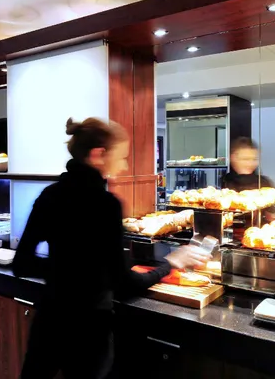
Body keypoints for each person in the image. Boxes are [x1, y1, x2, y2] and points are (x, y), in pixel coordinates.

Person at [13, 117, 208, 379]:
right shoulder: (105, 205)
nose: (124, 165)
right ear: (98, 155)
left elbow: (21, 264)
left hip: (50, 323)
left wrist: (64, 272)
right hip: (89, 332)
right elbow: (124, 283)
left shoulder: (50, 196)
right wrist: (170, 263)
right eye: (121, 157)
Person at [222, 137, 275, 221]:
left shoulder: (264, 184)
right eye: (245, 159)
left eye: (254, 159)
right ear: (233, 158)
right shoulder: (224, 183)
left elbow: (272, 215)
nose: (250, 163)